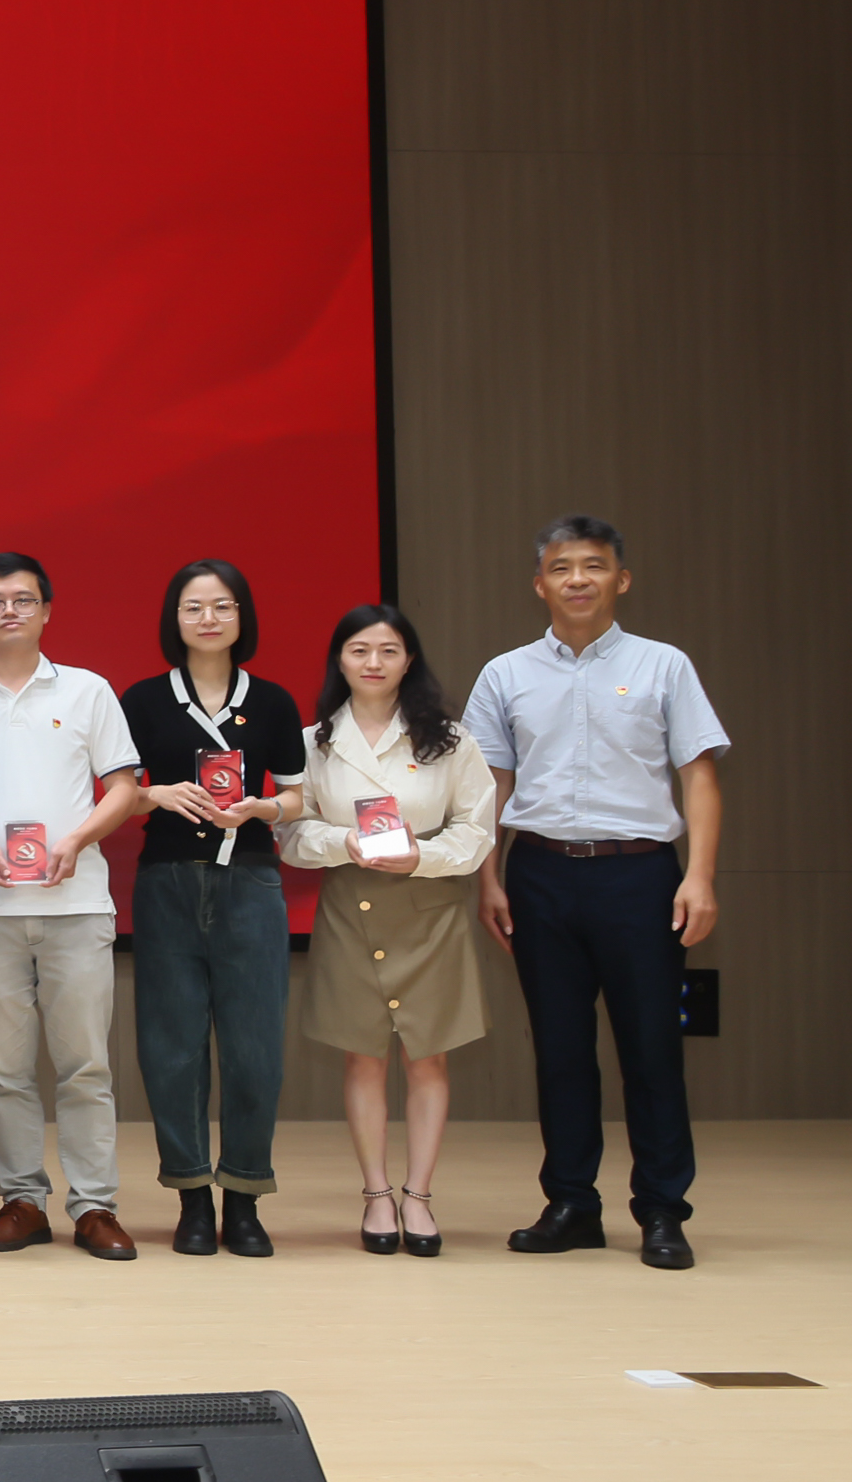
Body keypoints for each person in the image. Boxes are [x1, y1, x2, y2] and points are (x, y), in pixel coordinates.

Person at [464, 516, 729, 1271]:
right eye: (560, 567)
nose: (576, 579)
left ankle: (662, 1209)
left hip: (639, 875)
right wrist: (488, 876)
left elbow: (698, 776)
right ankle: (572, 1204)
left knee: (651, 1047)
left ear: (621, 578)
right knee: (558, 1048)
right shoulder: (504, 674)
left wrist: (699, 875)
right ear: (538, 583)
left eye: (593, 565)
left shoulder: (663, 666)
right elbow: (488, 783)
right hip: (539, 874)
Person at [0, 553, 149, 1262]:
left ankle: (95, 1206)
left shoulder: (87, 691)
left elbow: (124, 787)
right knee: (3, 1069)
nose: (10, 611)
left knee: (85, 1065)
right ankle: (21, 1200)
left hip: (75, 904)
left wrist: (78, 838)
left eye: (24, 599)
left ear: (47, 611)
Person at [281, 604, 497, 1259]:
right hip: (351, 906)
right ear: (338, 660)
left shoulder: (450, 741)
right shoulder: (312, 741)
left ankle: (419, 1195)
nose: (373, 663)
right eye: (359, 650)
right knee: (362, 1054)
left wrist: (420, 857)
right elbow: (290, 834)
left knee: (428, 1056)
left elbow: (477, 830)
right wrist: (342, 843)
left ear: (409, 660)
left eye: (388, 650)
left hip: (430, 908)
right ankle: (376, 1193)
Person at [117, 560, 312, 1259]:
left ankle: (245, 1198)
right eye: (193, 607)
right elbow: (117, 793)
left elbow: (297, 796)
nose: (208, 619)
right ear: (174, 619)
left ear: (241, 617)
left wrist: (263, 808)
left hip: (249, 883)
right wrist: (156, 794)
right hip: (166, 881)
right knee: (171, 1048)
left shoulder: (274, 702)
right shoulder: (143, 700)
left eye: (222, 606)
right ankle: (192, 1197)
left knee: (254, 1048)